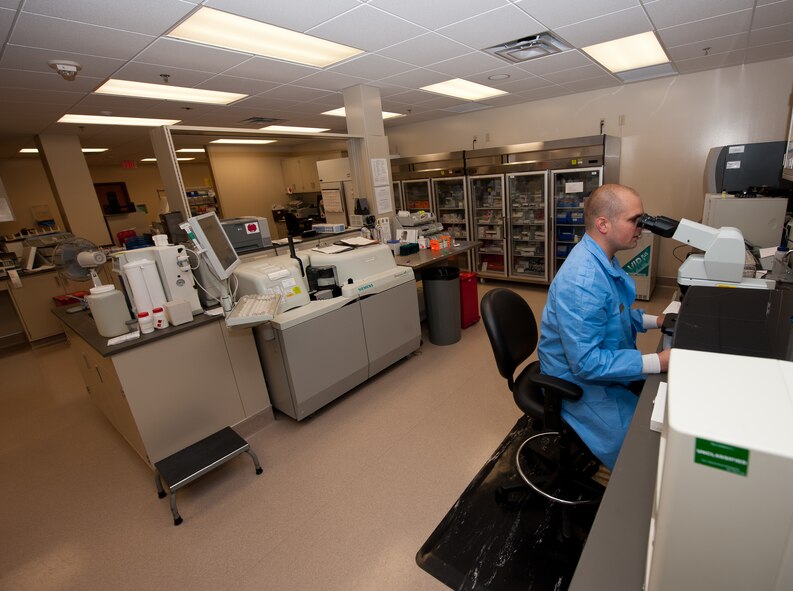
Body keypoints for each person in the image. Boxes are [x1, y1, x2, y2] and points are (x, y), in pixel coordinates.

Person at [538, 183, 670, 471]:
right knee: (638, 438)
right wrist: (657, 361)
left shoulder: (603, 258)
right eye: (635, 220)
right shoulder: (583, 281)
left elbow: (617, 314)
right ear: (603, 224)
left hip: (595, 361)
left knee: (650, 406)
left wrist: (658, 321)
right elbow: (586, 363)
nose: (642, 227)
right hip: (575, 376)